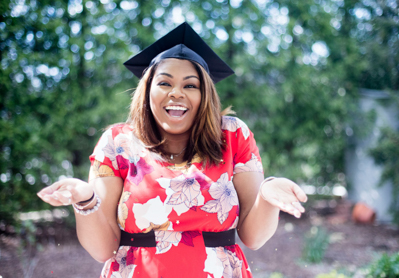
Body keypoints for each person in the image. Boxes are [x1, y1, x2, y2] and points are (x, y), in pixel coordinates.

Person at [37, 22, 308, 278]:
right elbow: (102, 249)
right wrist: (85, 199)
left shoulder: (233, 135)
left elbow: (254, 237)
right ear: (147, 90)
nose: (176, 92)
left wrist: (268, 195)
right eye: (165, 83)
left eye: (190, 85)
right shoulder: (117, 143)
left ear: (205, 96)